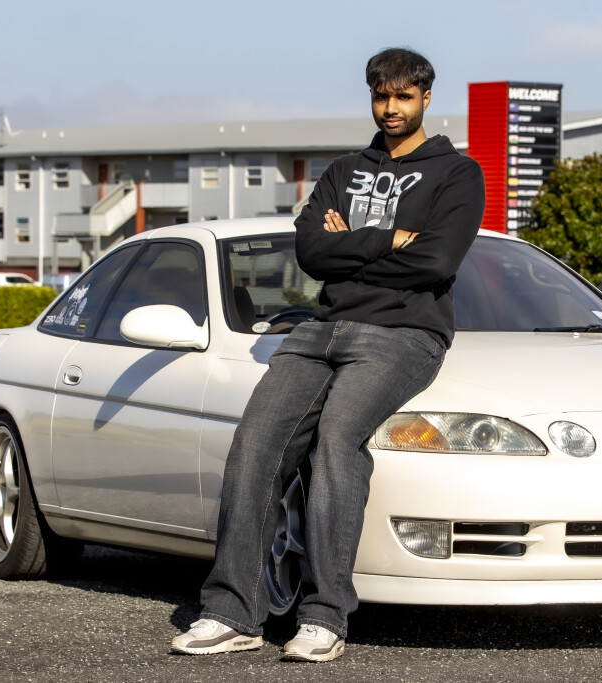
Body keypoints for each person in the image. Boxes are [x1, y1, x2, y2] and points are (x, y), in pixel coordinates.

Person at [171, 47, 485, 662]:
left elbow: (436, 261)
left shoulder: (456, 174)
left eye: (403, 96)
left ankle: (323, 617)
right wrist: (389, 240)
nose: (390, 107)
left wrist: (354, 245)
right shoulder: (344, 170)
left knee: (337, 442)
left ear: (426, 98)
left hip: (405, 332)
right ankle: (232, 614)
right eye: (381, 95)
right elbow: (311, 253)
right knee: (256, 444)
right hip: (323, 328)